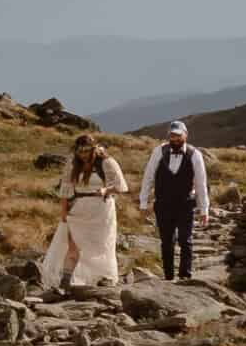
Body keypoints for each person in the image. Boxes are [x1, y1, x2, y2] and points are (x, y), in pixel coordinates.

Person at [37, 132, 128, 290]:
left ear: (93, 149)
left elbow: (120, 186)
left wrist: (105, 190)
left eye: (86, 151)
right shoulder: (73, 164)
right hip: (79, 209)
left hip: (101, 209)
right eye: (80, 152)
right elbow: (66, 189)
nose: (83, 155)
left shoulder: (107, 162)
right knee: (73, 246)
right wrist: (64, 212)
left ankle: (102, 278)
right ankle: (64, 283)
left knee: (101, 246)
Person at [145, 119, 211, 282]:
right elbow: (148, 176)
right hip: (163, 204)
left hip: (185, 203)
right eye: (172, 136)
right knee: (166, 241)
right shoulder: (159, 152)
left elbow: (201, 183)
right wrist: (143, 201)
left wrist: (204, 210)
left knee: (185, 239)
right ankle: (168, 277)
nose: (174, 139)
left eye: (177, 136)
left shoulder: (195, 154)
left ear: (185, 136)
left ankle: (185, 276)